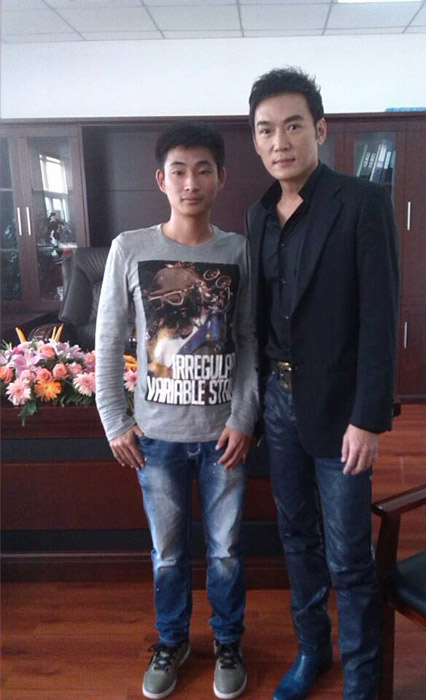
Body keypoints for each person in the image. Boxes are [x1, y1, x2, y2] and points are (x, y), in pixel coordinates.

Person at [246, 68, 399, 700]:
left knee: (348, 554)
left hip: (341, 411)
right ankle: (314, 651)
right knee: (296, 537)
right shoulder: (258, 215)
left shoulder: (361, 203)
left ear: (321, 129)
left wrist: (368, 417)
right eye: (265, 130)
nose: (279, 141)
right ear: (256, 141)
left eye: (292, 126)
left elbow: (380, 319)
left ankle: (362, 677)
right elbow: (258, 321)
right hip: (278, 402)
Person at [95, 122, 258, 700]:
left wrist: (244, 416)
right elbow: (109, 339)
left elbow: (248, 340)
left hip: (223, 438)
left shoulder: (238, 251)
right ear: (161, 180)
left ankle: (228, 641)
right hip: (157, 437)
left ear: (221, 178)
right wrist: (114, 419)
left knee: (226, 551)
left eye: (203, 170)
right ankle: (172, 641)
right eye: (180, 171)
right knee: (167, 553)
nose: (192, 182)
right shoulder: (129, 248)